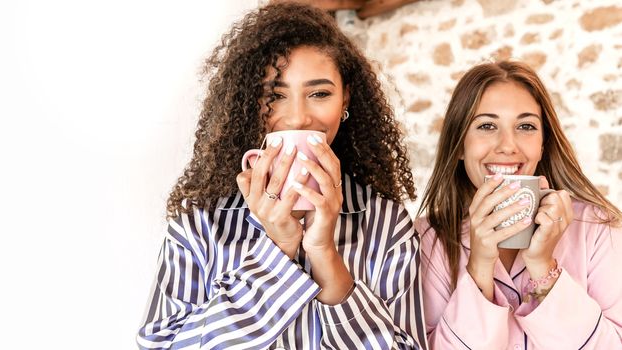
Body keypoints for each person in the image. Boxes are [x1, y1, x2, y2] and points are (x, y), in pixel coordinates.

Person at [136, 3, 426, 349]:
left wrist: (325, 255)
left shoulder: (387, 224)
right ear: (249, 102)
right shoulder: (200, 224)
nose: (298, 118)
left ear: (345, 97)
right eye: (275, 96)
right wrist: (277, 249)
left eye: (319, 94)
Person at [416, 61, 622, 349]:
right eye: (487, 126)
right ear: (460, 145)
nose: (508, 145)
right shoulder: (425, 241)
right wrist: (480, 267)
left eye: (525, 126)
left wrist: (543, 267)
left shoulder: (598, 227)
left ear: (542, 143)